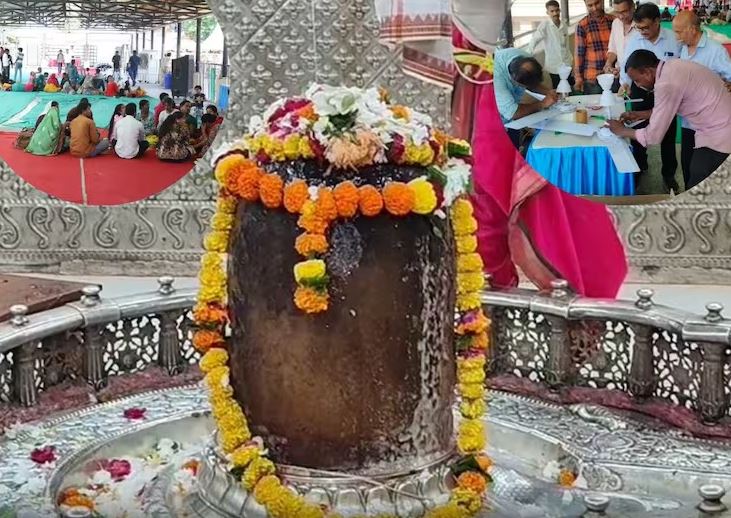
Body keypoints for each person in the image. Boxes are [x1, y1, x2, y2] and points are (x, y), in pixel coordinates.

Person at [376, 0, 628, 298]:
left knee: (499, 189)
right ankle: (492, 296)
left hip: (493, 91)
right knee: (482, 192)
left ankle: (531, 291)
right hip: (477, 86)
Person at [608, 50, 731, 189]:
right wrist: (639, 114)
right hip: (719, 125)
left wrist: (622, 131)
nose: (636, 85)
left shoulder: (666, 84)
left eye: (637, 80)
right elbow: (666, 110)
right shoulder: (672, 66)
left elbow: (653, 136)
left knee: (699, 182)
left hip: (719, 135)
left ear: (647, 72)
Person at [621, 3, 681, 193]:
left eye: (646, 27)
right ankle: (640, 167)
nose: (642, 32)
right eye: (639, 28)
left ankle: (669, 175)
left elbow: (682, 65)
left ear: (657, 21)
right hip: (641, 91)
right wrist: (625, 83)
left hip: (668, 93)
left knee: (668, 135)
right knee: (638, 128)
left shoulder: (673, 39)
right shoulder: (634, 40)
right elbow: (625, 64)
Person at [672, 10, 731, 187]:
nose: (676, 36)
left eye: (678, 32)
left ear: (692, 29)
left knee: (704, 171)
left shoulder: (715, 51)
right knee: (686, 164)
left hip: (710, 126)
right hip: (688, 122)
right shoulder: (683, 49)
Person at [494, 48, 558, 149]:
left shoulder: (526, 59)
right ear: (514, 80)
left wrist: (547, 92)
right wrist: (542, 104)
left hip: (509, 120)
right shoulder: (495, 78)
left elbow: (531, 83)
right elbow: (513, 112)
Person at [527, 1, 574, 89]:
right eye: (552, 11)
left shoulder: (563, 24)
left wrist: (570, 61)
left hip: (567, 63)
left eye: (557, 10)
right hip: (554, 65)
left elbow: (566, 45)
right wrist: (527, 54)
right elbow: (535, 39)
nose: (555, 13)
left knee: (569, 87)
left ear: (559, 10)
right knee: (558, 88)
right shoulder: (545, 25)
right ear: (547, 12)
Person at [574, 0, 614, 94]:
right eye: (590, 5)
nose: (594, 8)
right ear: (585, 5)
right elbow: (579, 54)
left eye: (597, 3)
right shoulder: (582, 25)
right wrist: (578, 78)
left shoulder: (614, 21)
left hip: (613, 76)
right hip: (592, 80)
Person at [604, 0, 636, 91]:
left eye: (624, 11)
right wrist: (608, 64)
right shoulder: (616, 23)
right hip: (619, 77)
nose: (621, 16)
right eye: (617, 12)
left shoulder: (641, 26)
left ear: (633, 7)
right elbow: (613, 49)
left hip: (638, 79)